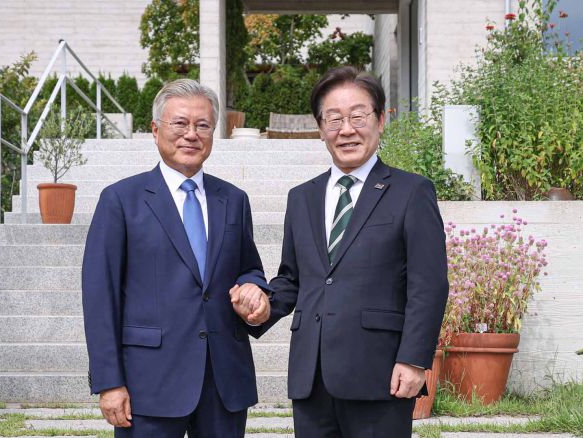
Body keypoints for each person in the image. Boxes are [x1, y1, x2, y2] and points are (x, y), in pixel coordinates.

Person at [235, 66, 449, 437]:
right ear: (320, 129)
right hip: (312, 377)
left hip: (380, 375)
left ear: (380, 121)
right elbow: (293, 279)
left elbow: (428, 284)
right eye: (334, 119)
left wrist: (414, 360)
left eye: (357, 117)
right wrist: (262, 307)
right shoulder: (302, 198)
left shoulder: (411, 192)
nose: (346, 129)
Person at [82, 78, 271, 438]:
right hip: (148, 383)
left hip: (224, 381)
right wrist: (109, 382)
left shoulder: (234, 200)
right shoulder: (121, 200)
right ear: (155, 130)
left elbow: (249, 268)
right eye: (180, 123)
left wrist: (254, 290)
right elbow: (100, 297)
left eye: (203, 125)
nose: (191, 134)